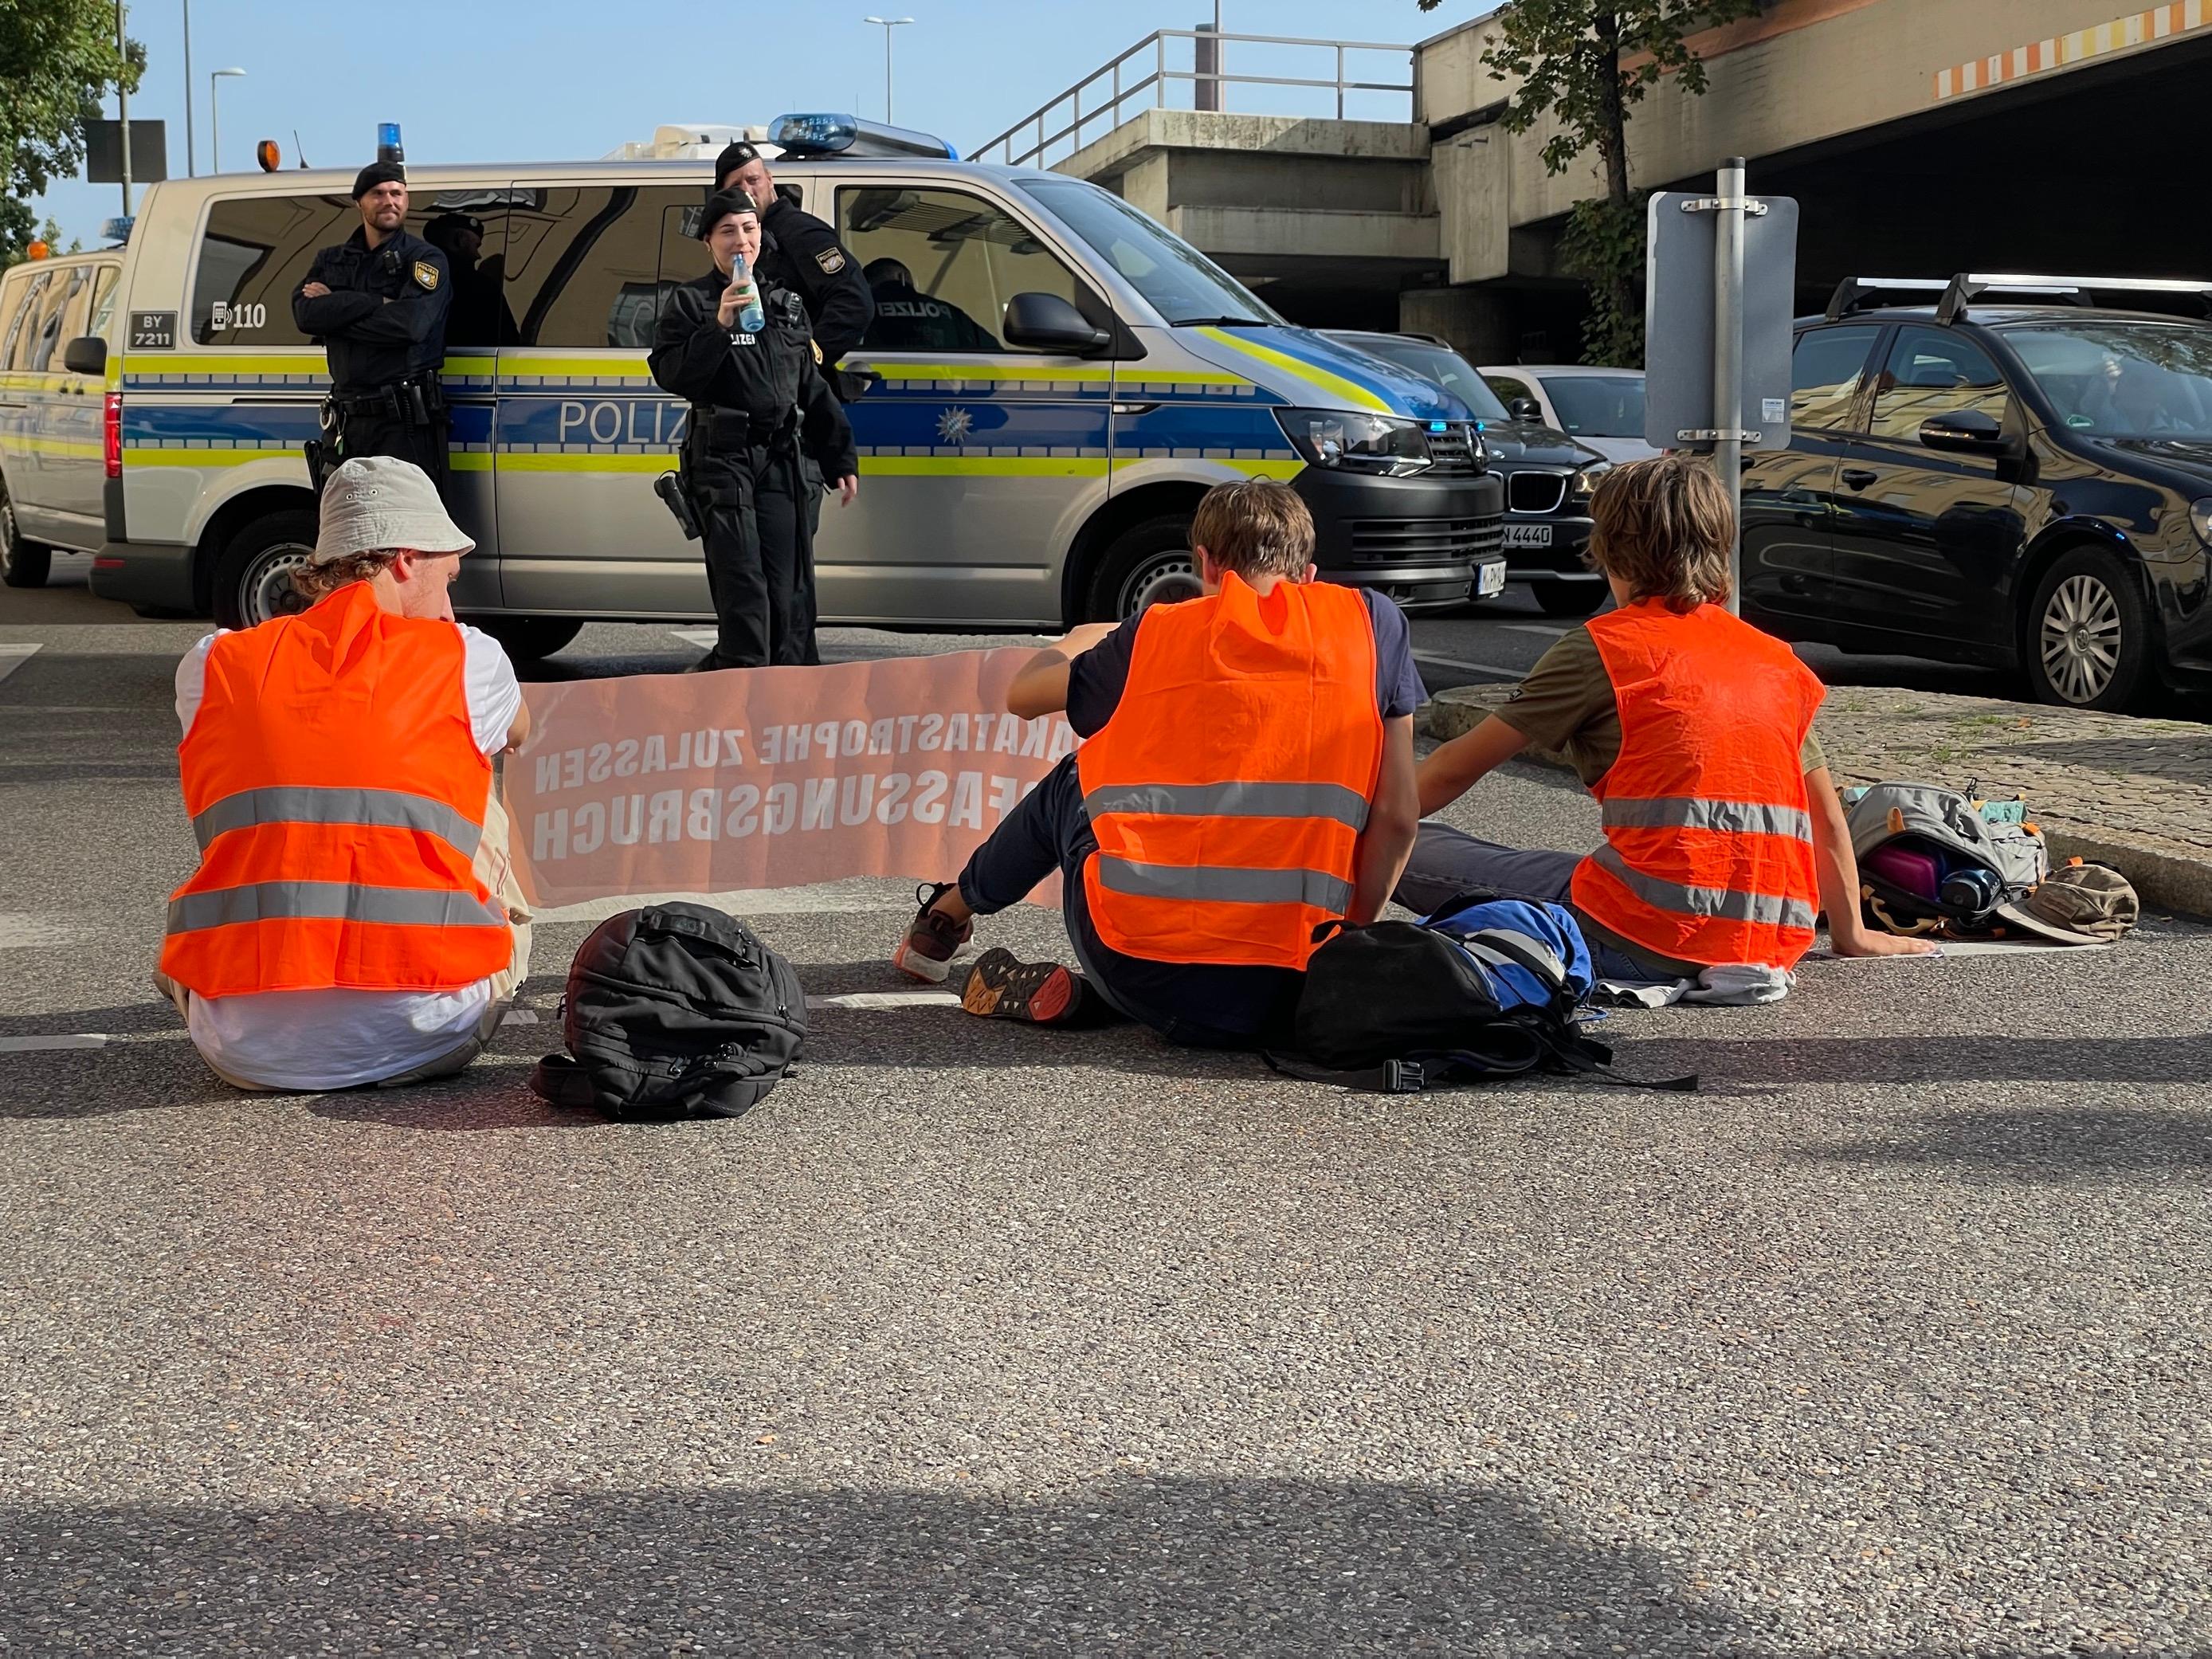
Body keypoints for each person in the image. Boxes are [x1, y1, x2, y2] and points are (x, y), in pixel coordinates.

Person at [892, 479, 1425, 1046]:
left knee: (1077, 780)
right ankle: (1102, 997)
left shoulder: (1158, 631)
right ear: (1310, 574)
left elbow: (1023, 697)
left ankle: (943, 922)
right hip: (1294, 990)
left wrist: (1082, 639)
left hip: (1141, 968)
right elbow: (1397, 817)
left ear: (1206, 563)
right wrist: (1348, 948)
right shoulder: (1372, 624)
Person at [1401, 454, 1936, 979]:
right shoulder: (1774, 659)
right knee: (1533, 861)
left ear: (1610, 549)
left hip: (1642, 936)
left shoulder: (1604, 648)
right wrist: (1852, 934)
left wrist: (1356, 825)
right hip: (1769, 943)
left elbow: (1452, 769)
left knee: (1406, 840)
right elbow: (1826, 819)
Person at [156, 457, 534, 1092]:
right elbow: (520, 733)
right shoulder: (466, 657)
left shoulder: (214, 662)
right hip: (428, 1027)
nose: (449, 605)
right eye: (449, 578)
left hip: (239, 1048)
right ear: (406, 560)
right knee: (480, 791)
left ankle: (254, 994)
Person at [649, 190, 858, 672]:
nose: (740, 240)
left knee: (790, 591)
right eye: (727, 231)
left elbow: (810, 386)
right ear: (708, 242)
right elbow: (673, 375)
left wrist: (839, 457)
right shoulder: (692, 302)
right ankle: (738, 704)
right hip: (724, 461)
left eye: (749, 228)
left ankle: (791, 709)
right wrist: (720, 325)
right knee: (744, 589)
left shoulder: (785, 304)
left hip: (783, 460)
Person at [293, 163, 453, 490]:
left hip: (402, 422)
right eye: (378, 194)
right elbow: (306, 316)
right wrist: (375, 303)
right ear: (359, 202)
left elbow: (410, 326)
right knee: (346, 530)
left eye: (397, 193)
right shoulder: (331, 260)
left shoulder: (424, 259)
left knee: (406, 531)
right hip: (345, 422)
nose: (389, 201)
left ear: (407, 199)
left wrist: (336, 315)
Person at [714, 141, 874, 401]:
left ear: (769, 180)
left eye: (753, 179)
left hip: (794, 399)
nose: (747, 190)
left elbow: (854, 304)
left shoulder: (801, 233)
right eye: (735, 186)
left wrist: (803, 361)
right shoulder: (741, 244)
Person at [861, 258, 998, 352]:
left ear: (867, 285)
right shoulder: (948, 312)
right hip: (944, 388)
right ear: (903, 277)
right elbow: (992, 349)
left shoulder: (862, 311)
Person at [422, 210, 516, 347]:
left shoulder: (414, 280)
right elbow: (509, 340)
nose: (478, 256)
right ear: (461, 240)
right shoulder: (482, 287)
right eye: (476, 246)